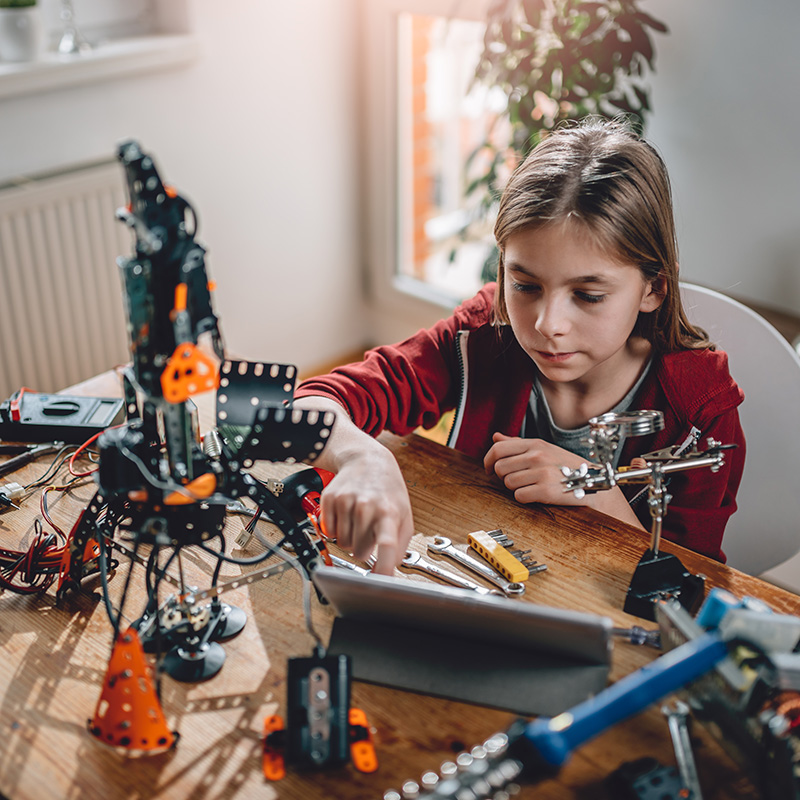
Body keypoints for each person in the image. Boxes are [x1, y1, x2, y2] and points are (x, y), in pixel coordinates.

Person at [294, 117, 745, 574]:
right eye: (525, 285)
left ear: (654, 289)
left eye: (588, 295)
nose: (548, 324)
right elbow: (308, 403)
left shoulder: (700, 409)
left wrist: (600, 493)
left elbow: (698, 586)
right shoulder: (483, 334)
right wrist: (362, 456)